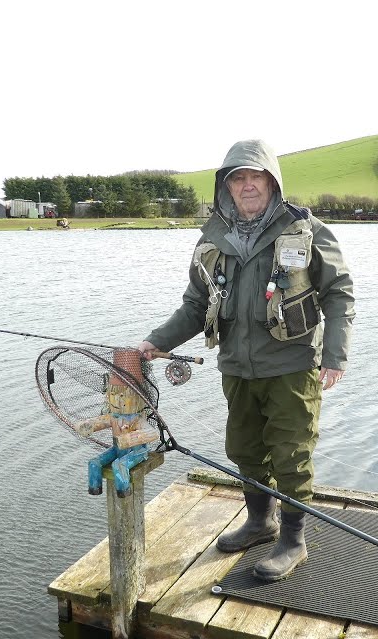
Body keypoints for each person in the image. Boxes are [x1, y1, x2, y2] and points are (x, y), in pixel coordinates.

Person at [138, 139, 355, 581]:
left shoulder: (307, 229)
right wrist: (155, 343)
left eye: (256, 176)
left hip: (292, 368)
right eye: (238, 177)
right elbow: (195, 307)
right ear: (226, 187)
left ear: (272, 181)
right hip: (236, 367)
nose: (247, 185)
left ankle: (293, 541)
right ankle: (260, 522)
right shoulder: (210, 239)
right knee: (245, 450)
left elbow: (339, 293)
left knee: (291, 455)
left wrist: (335, 354)